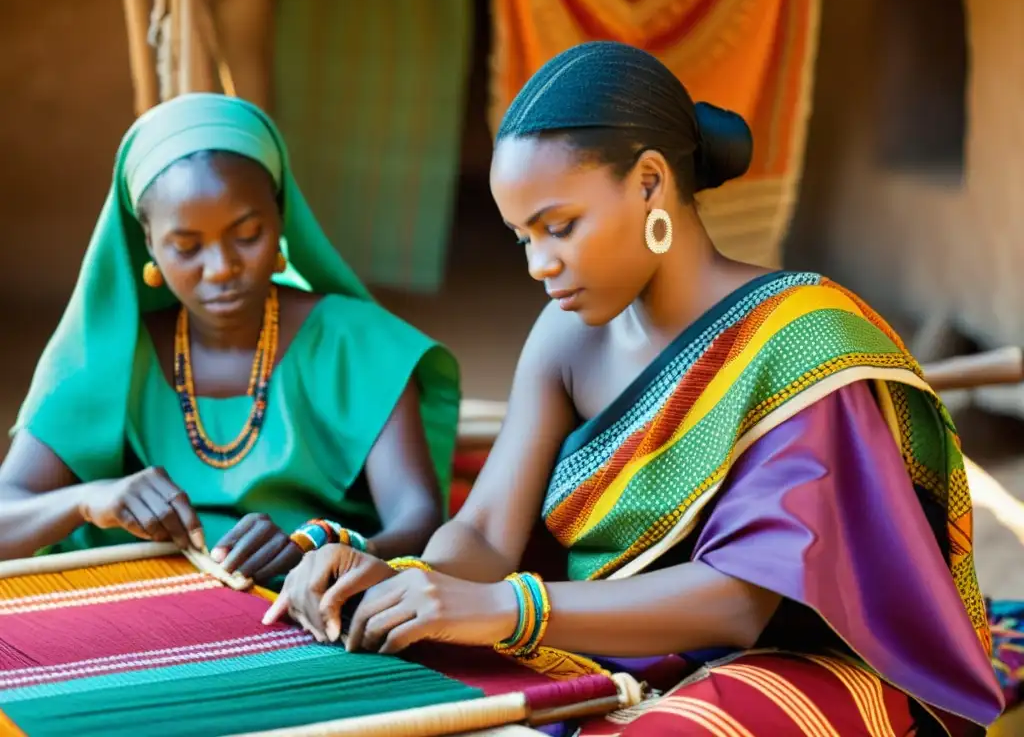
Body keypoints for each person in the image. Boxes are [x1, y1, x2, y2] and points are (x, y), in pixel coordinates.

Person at [263, 42, 1005, 734]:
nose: (538, 264)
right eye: (525, 237)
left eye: (560, 226)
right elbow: (488, 532)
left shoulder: (804, 341)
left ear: (651, 182)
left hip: (809, 660)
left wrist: (500, 607)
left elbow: (739, 601)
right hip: (615, 645)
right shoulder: (566, 339)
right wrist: (396, 581)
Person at [0, 93, 461, 586]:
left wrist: (315, 550)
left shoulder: (357, 345)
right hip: (129, 615)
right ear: (147, 244)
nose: (221, 269)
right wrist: (91, 499)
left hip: (299, 610)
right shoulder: (105, 356)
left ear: (281, 219)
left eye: (246, 235)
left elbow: (417, 522)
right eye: (186, 246)